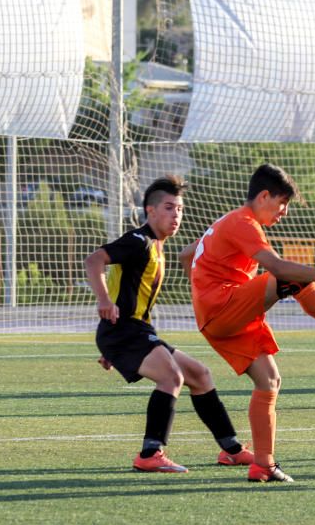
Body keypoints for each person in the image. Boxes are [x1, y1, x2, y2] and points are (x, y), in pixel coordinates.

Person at [179, 164, 315, 483]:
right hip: (223, 307)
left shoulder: (229, 222)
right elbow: (278, 268)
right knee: (290, 278)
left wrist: (201, 293)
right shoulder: (243, 223)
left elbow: (186, 254)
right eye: (282, 203)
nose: (284, 212)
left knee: (270, 381)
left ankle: (263, 464)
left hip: (218, 316)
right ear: (264, 196)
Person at [85, 176, 255, 473]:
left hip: (133, 333)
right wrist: (103, 302)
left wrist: (112, 347)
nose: (176, 215)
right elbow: (94, 260)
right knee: (172, 378)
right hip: (124, 332)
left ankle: (231, 450)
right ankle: (150, 453)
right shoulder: (138, 241)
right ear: (150, 211)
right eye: (169, 208)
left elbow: (125, 292)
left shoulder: (157, 246)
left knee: (200, 375)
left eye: (179, 209)